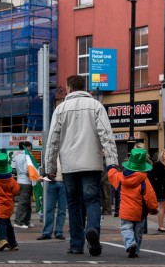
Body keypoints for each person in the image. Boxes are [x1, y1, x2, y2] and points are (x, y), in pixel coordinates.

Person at [44, 74, 118, 256]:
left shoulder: (60, 109)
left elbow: (52, 141)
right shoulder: (96, 106)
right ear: (86, 88)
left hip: (69, 165)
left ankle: (76, 244)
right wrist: (112, 163)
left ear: (69, 88)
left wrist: (50, 168)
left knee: (74, 204)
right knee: (92, 200)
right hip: (92, 163)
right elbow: (106, 136)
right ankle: (92, 230)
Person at [108, 148, 158, 258]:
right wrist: (153, 208)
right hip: (140, 212)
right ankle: (136, 250)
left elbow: (112, 175)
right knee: (138, 232)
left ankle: (130, 244)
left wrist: (111, 167)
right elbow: (150, 196)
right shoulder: (144, 180)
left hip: (125, 211)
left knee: (126, 229)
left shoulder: (121, 177)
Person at [37, 156, 67, 240]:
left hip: (63, 183)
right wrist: (42, 176)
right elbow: (45, 165)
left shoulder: (66, 152)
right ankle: (47, 232)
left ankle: (58, 232)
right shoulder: (51, 154)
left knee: (62, 210)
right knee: (49, 209)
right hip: (52, 183)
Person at [13, 141, 34, 229]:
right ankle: (19, 222)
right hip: (27, 182)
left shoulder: (16, 156)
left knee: (26, 202)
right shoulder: (27, 156)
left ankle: (26, 221)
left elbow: (13, 169)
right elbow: (27, 170)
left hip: (19, 181)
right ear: (28, 147)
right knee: (24, 202)